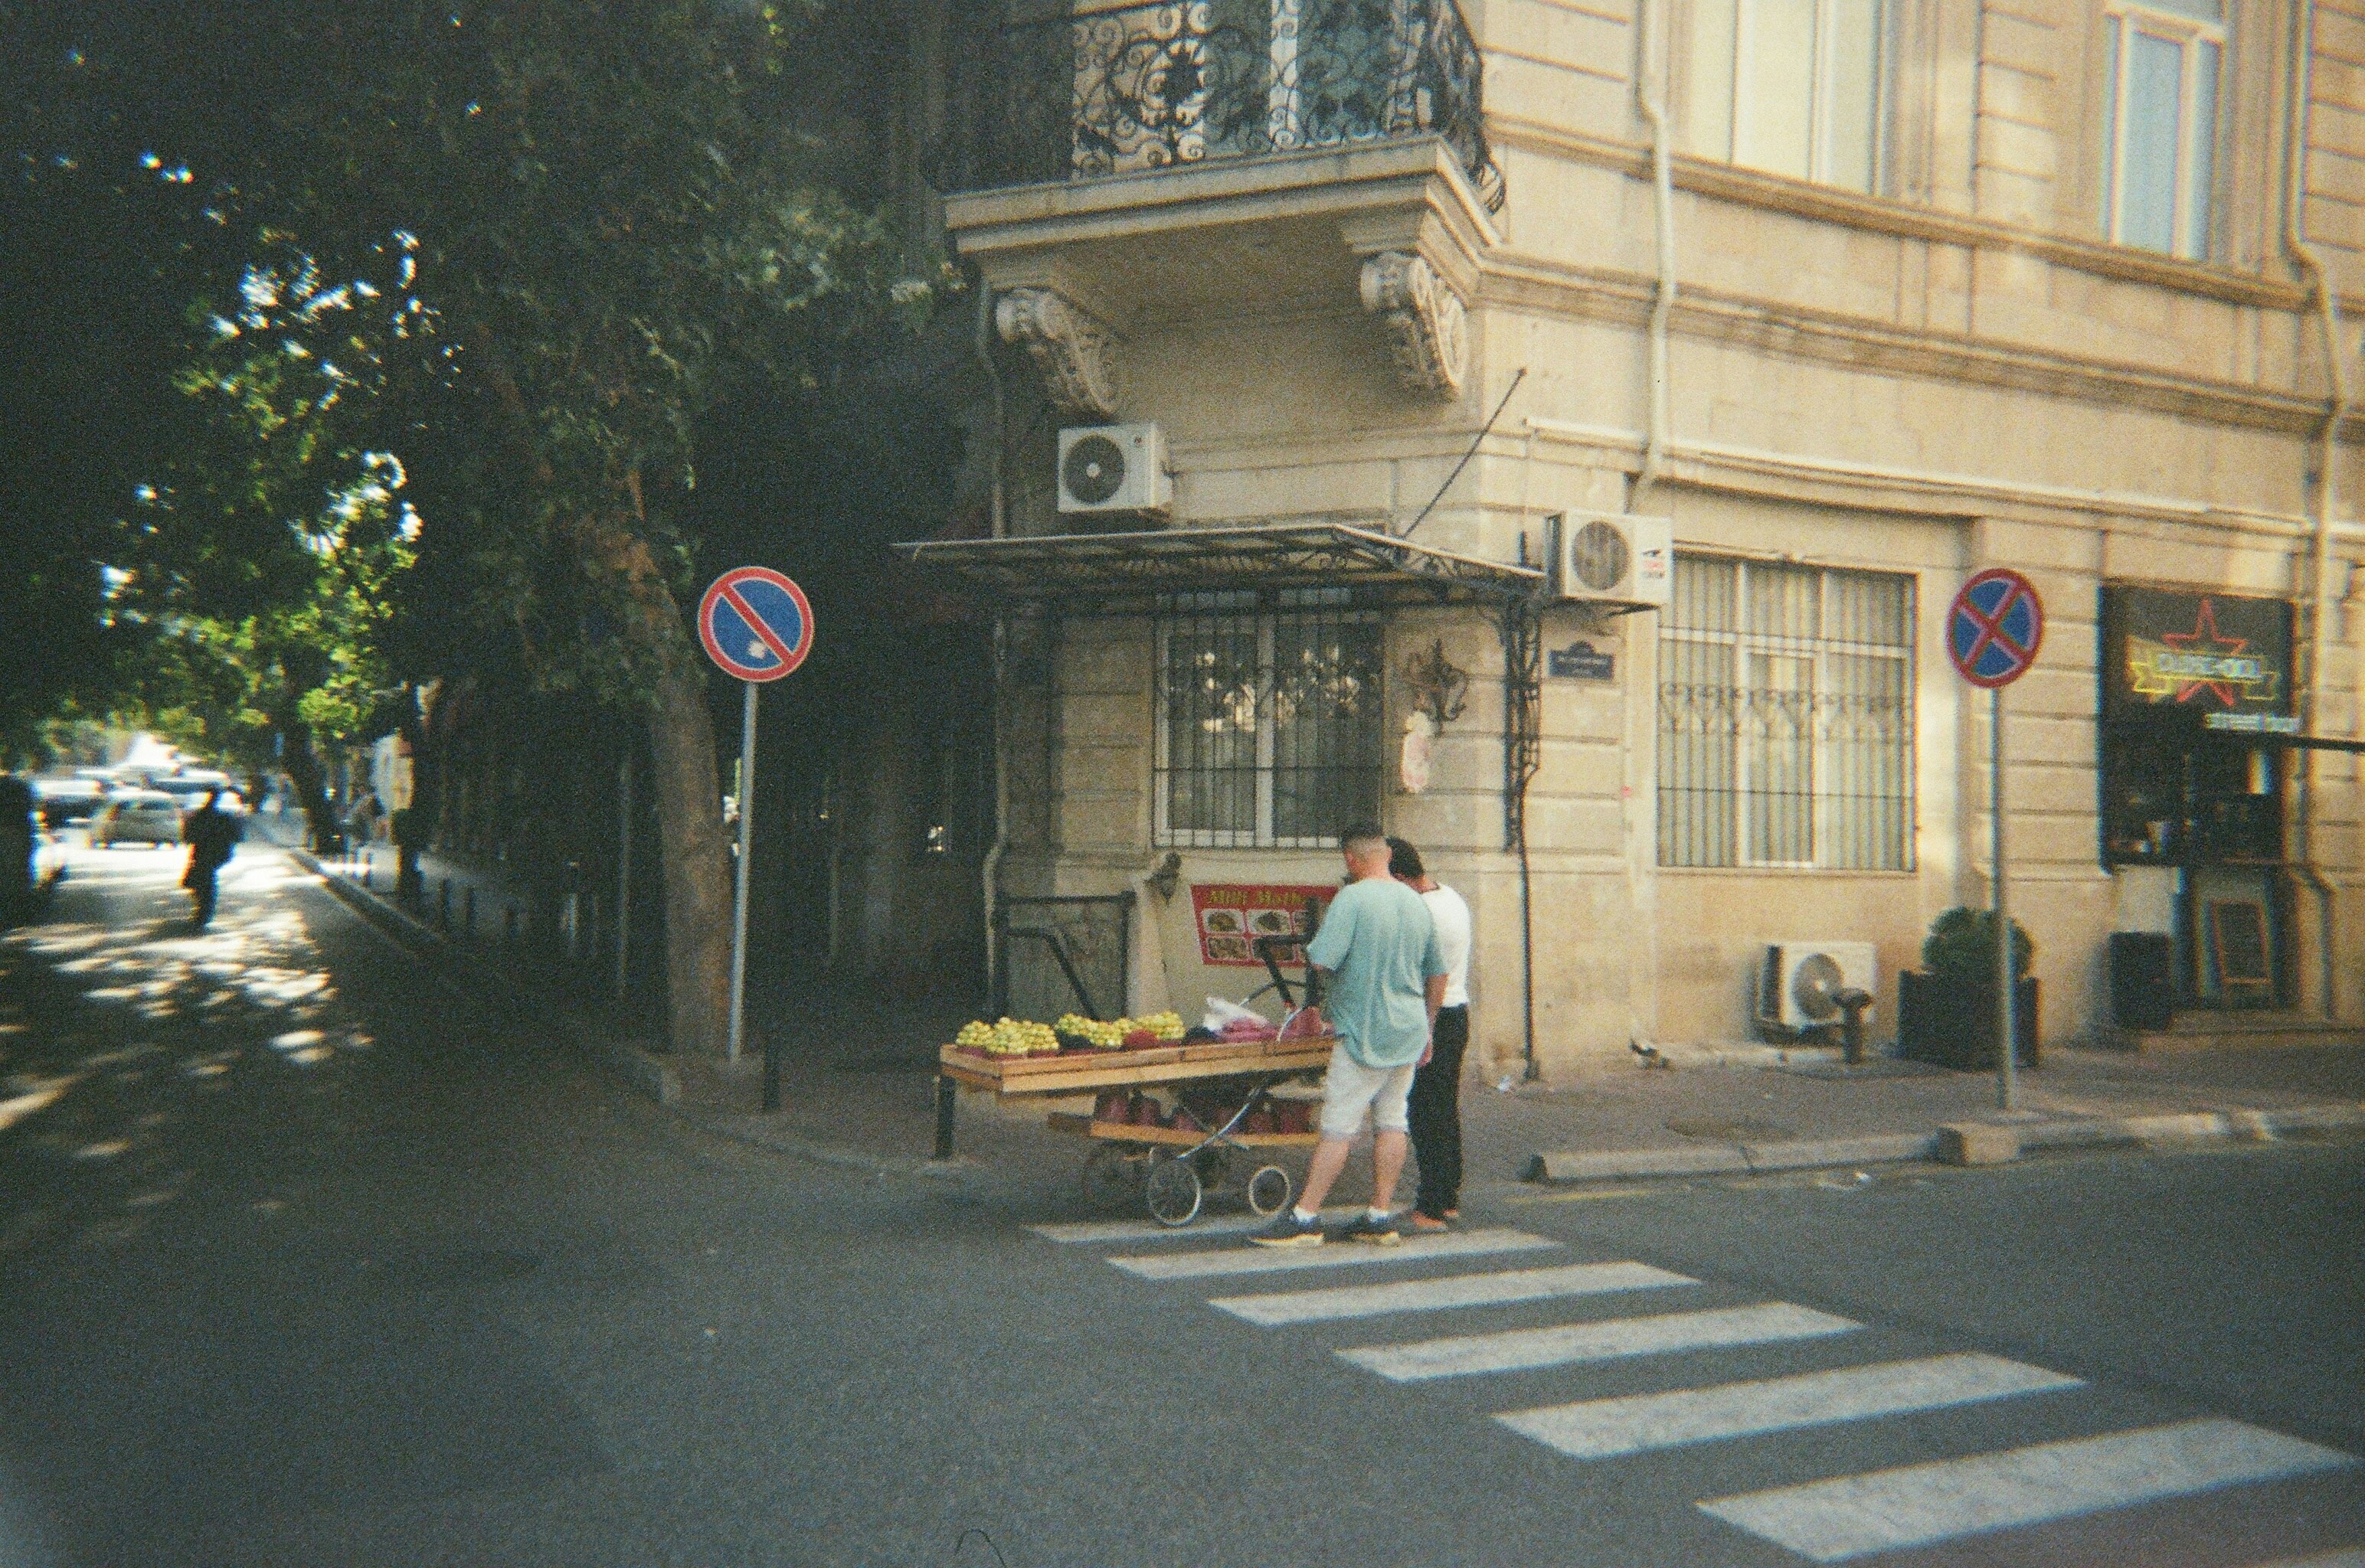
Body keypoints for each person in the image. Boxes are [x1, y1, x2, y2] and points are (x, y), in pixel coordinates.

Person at [1250, 822, 1447, 1248]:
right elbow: (1438, 972)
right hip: (1409, 1029)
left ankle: (1305, 1217)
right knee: (1393, 1120)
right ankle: (1380, 1215)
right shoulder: (1417, 904)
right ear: (1388, 856)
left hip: (1363, 1031)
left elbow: (1322, 961)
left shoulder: (1351, 899)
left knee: (1338, 1127)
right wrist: (1428, 1028)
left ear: (1350, 860)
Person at [1389, 836, 1472, 1233]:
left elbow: (1429, 976)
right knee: (1443, 1108)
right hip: (1457, 1013)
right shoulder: (1450, 896)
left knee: (1426, 1113)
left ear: (1402, 878)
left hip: (1434, 1016)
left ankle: (1433, 1204)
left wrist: (1426, 1027)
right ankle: (1448, 1196)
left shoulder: (1420, 912)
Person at [181, 788, 241, 928]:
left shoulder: (206, 816)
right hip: (214, 855)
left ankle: (204, 909)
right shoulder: (222, 817)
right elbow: (237, 836)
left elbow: (189, 836)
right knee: (204, 880)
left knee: (203, 879)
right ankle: (204, 909)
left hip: (209, 855)